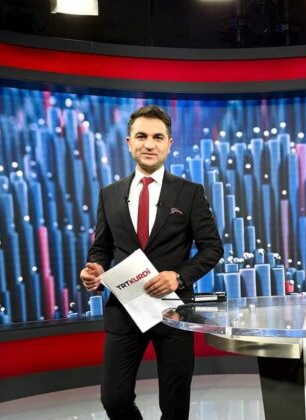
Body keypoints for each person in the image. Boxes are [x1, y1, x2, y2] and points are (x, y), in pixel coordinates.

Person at [80, 105, 223, 420]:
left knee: (174, 406)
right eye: (141, 136)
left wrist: (178, 277)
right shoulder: (109, 194)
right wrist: (95, 268)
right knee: (113, 398)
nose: (149, 144)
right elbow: (101, 248)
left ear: (169, 144)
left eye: (158, 137)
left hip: (173, 311)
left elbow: (212, 248)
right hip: (125, 309)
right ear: (129, 142)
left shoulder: (189, 193)